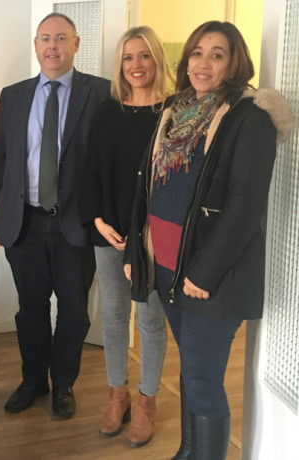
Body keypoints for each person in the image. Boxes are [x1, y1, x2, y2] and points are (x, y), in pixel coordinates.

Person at [124, 21, 293, 459]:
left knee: (202, 379)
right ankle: (188, 450)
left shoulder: (249, 117)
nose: (203, 63)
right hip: (165, 265)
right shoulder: (176, 111)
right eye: (197, 53)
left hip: (206, 276)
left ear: (235, 63)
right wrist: (135, 251)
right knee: (193, 371)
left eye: (217, 54)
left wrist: (204, 271)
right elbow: (150, 188)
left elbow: (245, 206)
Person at [0, 13, 110, 419]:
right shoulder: (13, 95)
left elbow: (107, 163)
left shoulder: (101, 93)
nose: (52, 46)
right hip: (24, 222)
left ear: (76, 44)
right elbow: (2, 159)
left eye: (61, 38)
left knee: (75, 314)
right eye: (45, 38)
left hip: (75, 224)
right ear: (36, 44)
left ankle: (63, 385)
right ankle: (32, 382)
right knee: (31, 311)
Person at [79, 26, 172, 447]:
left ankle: (148, 399)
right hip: (109, 231)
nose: (136, 65)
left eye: (144, 56)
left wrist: (153, 231)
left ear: (157, 61)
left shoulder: (173, 114)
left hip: (153, 237)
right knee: (114, 316)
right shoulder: (106, 112)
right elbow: (91, 172)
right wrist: (97, 220)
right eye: (128, 58)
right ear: (120, 65)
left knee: (151, 320)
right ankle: (118, 394)